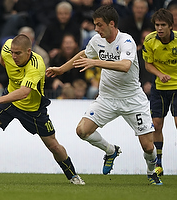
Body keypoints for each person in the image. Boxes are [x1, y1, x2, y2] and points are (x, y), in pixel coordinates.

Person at [46, 5, 162, 185]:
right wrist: (61, 69)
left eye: (99, 25)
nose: (96, 29)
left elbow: (124, 66)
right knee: (82, 131)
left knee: (148, 146)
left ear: (111, 24)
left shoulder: (127, 41)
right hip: (107, 98)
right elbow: (84, 53)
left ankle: (151, 171)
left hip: (132, 100)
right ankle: (110, 150)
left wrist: (96, 62)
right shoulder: (96, 40)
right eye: (95, 24)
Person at [0, 34, 85, 185]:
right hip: (10, 99)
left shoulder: (37, 65)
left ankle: (73, 176)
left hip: (33, 109)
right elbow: (3, 60)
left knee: (53, 145)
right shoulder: (7, 47)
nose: (14, 56)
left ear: (28, 51)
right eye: (12, 53)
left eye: (18, 53)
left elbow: (24, 93)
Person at [142, 8, 177, 176]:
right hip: (160, 88)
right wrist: (160, 75)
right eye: (157, 25)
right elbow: (148, 64)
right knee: (156, 124)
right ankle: (159, 164)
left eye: (163, 25)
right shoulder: (149, 40)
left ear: (171, 26)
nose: (160, 28)